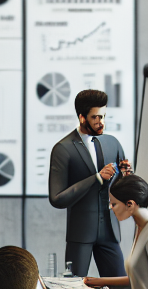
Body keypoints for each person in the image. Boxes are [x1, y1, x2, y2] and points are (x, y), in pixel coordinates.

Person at [48, 88, 133, 277]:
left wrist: (127, 178)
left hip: (110, 232)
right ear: (82, 118)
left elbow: (122, 188)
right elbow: (56, 198)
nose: (101, 122)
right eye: (95, 117)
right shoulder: (63, 149)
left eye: (103, 116)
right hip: (80, 233)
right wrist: (96, 178)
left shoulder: (113, 143)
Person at [83, 174, 148, 289]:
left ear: (130, 204)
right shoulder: (140, 228)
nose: (110, 208)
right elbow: (139, 279)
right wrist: (96, 281)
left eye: (113, 204)